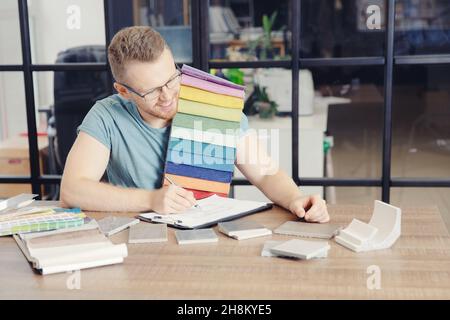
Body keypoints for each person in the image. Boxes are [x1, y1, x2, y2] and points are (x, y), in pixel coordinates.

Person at [60, 26, 329, 223]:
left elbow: (266, 173)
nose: (167, 96)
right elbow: (73, 190)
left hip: (210, 237)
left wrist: (296, 199)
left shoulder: (212, 103)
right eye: (151, 91)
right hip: (140, 241)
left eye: (172, 79)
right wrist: (152, 200)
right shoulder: (106, 116)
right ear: (124, 91)